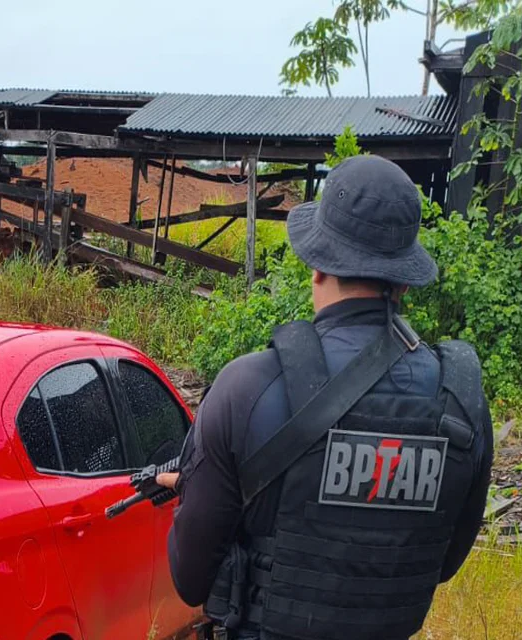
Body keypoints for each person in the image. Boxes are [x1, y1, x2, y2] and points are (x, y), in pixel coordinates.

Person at [157, 155, 493, 640]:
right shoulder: (460, 398)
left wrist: (193, 492)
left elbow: (190, 581)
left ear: (317, 264)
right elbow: (444, 562)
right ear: (402, 280)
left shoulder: (246, 387)